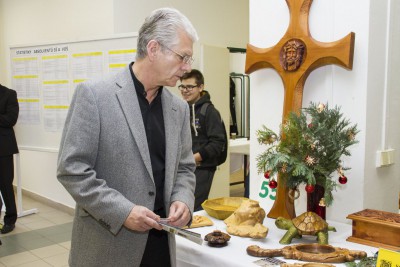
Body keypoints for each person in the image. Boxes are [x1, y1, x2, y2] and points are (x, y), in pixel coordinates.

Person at [57, 8, 198, 267]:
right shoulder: (94, 96)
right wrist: (123, 212)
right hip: (109, 248)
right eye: (183, 57)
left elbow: (185, 168)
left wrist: (183, 200)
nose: (187, 67)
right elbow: (72, 170)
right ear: (154, 49)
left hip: (161, 248)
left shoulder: (178, 109)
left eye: (189, 58)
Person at [179, 69, 226, 211]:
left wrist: (194, 158)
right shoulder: (184, 109)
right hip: (187, 166)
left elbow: (217, 143)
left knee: (192, 208)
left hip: (203, 168)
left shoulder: (209, 111)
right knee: (183, 204)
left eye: (190, 87)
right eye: (182, 86)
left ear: (200, 87)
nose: (185, 90)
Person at [0, 84, 19, 234]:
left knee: (6, 185)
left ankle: (10, 219)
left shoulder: (9, 94)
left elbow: (10, 119)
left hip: (4, 148)